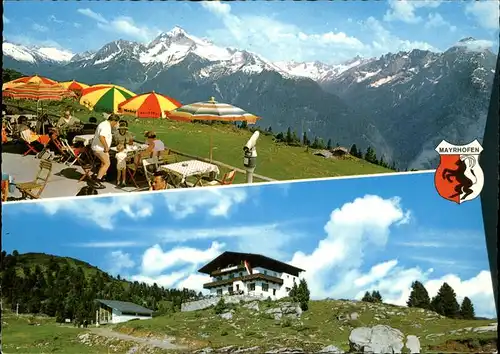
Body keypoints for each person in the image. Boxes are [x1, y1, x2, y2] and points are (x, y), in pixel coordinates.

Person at [90, 113, 120, 189]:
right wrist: (106, 147)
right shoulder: (106, 126)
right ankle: (97, 181)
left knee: (104, 163)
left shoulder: (104, 124)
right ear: (113, 121)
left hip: (98, 147)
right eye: (116, 123)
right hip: (99, 148)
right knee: (107, 163)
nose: (116, 125)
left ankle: (100, 176)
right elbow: (102, 137)